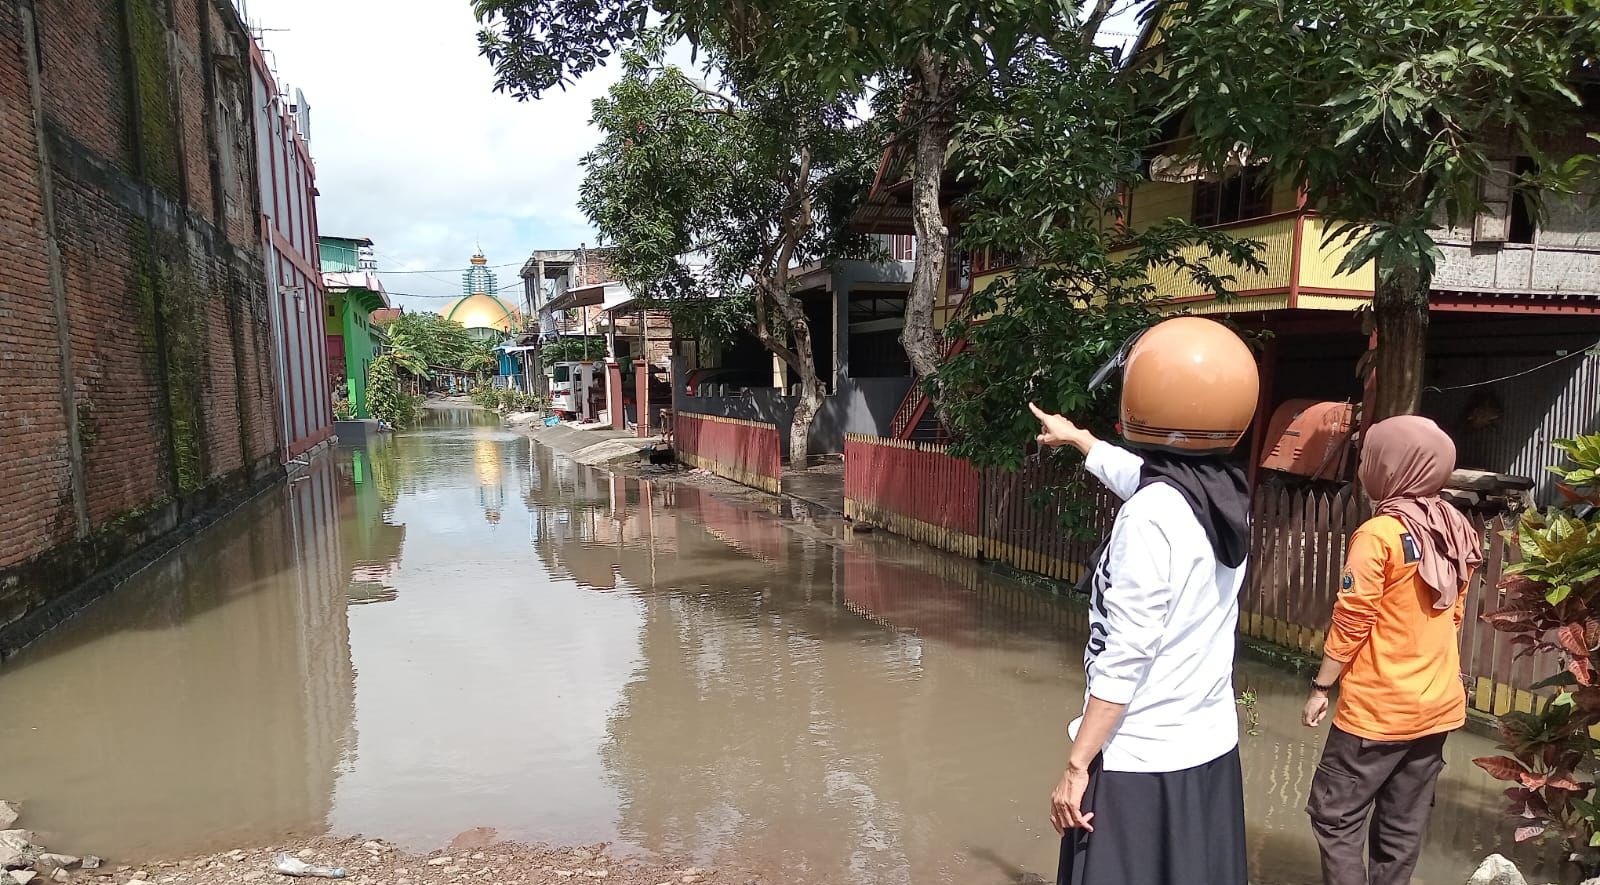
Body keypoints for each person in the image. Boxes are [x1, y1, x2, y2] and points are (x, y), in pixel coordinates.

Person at [1030, 315, 1260, 885]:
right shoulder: (1223, 496)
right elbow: (1144, 475)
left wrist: (1077, 765)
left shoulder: (1149, 518)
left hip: (1142, 760)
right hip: (1206, 748)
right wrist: (1079, 439)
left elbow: (1125, 656)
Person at [1302, 415, 1482, 885]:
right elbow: (1455, 615)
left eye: (1369, 459)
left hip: (1378, 712)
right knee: (1401, 827)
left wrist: (1322, 686)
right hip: (1438, 707)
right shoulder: (1455, 528)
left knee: (1334, 816)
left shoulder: (1379, 535)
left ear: (1390, 465)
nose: (1365, 468)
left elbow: (1352, 620)